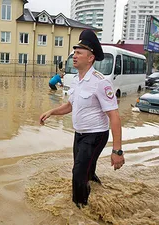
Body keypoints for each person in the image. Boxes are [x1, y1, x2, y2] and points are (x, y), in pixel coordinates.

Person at [39, 29, 125, 208]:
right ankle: (97, 192)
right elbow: (70, 105)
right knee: (87, 171)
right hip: (79, 135)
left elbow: (114, 116)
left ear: (90, 57)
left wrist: (117, 151)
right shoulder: (77, 80)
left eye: (79, 52)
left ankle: (80, 211)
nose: (74, 56)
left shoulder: (101, 82)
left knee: (78, 174)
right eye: (74, 52)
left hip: (95, 136)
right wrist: (51, 112)